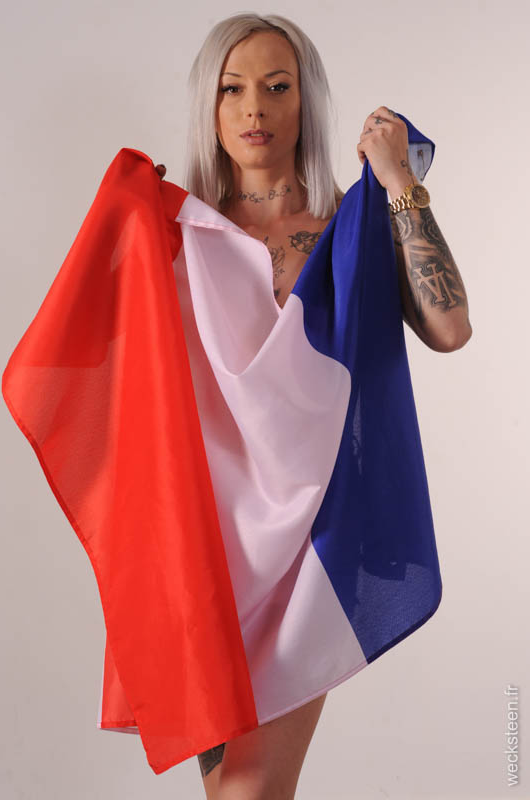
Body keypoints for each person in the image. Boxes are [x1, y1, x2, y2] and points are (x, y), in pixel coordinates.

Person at [153, 12, 472, 800]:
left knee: (250, 793)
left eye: (277, 86)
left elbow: (450, 327)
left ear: (307, 102)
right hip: (205, 543)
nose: (254, 109)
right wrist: (129, 231)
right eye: (232, 90)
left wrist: (399, 183)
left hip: (313, 544)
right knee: (231, 792)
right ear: (208, 105)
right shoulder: (180, 235)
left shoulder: (347, 232)